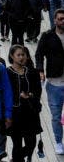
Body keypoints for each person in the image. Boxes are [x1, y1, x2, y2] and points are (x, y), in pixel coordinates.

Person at [6, 44, 41, 162]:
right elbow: (4, 93)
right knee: (17, 144)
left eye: (23, 55)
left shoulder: (32, 72)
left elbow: (38, 91)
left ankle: (15, 159)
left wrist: (30, 95)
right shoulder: (7, 73)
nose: (21, 57)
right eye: (18, 55)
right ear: (12, 56)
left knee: (31, 143)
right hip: (15, 114)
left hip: (30, 113)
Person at [37, 8, 64, 154]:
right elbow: (39, 54)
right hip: (54, 82)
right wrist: (40, 70)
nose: (62, 21)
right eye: (60, 19)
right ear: (55, 20)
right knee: (55, 115)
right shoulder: (47, 36)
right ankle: (58, 141)